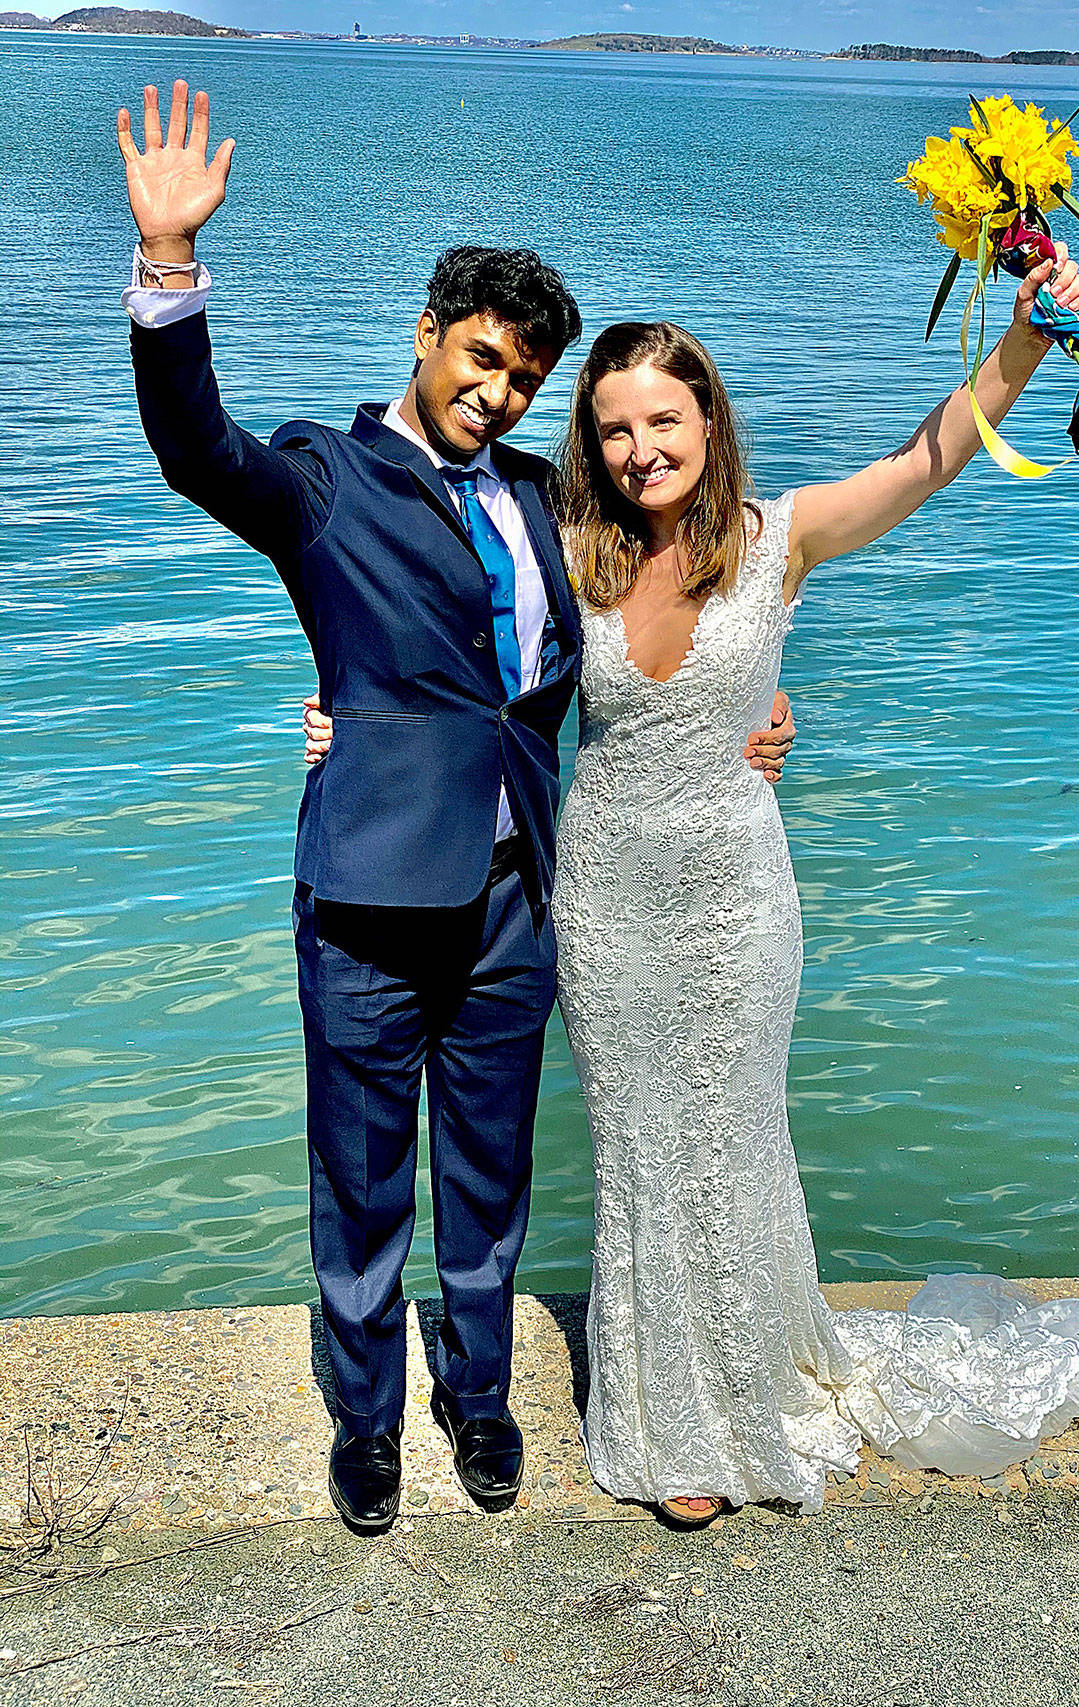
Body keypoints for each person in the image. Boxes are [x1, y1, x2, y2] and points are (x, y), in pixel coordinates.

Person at [114, 77, 798, 1536]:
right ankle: (365, 1420)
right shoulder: (325, 478)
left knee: (488, 1182)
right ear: (425, 337)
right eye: (480, 359)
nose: (496, 392)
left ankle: (476, 1397)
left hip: (519, 900)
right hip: (365, 899)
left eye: (522, 379)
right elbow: (195, 447)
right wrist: (170, 267)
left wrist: (753, 712)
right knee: (360, 1187)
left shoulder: (559, 497)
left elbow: (666, 602)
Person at [546, 300, 1079, 1526]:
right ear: (588, 444)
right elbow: (435, 628)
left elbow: (930, 455)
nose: (640, 448)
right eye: (613, 430)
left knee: (730, 1137)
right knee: (640, 1151)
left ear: (707, 415)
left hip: (732, 897)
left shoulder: (783, 536)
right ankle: (660, 1408)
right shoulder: (570, 551)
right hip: (603, 898)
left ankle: (734, 1406)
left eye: (663, 417)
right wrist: (344, 716)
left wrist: (1028, 335)